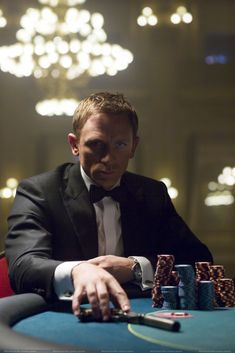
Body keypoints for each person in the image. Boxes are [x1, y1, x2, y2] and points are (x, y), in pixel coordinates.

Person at [5, 92, 213, 321]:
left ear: (134, 146)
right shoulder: (39, 191)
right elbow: (22, 266)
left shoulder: (153, 193)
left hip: (141, 313)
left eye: (120, 145)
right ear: (74, 144)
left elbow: (198, 259)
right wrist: (78, 270)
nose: (109, 159)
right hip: (67, 315)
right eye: (97, 145)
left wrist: (136, 267)